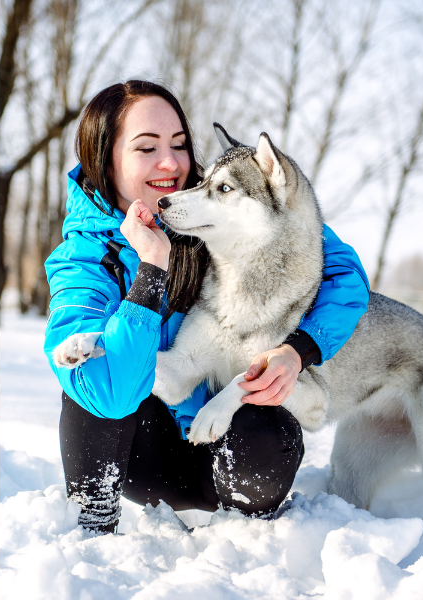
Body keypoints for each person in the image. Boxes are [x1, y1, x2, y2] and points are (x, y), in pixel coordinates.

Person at [43, 80, 370, 533]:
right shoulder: (85, 255)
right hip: (145, 452)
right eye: (146, 147)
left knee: (266, 425)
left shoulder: (218, 201)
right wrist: (151, 269)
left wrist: (300, 349)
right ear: (106, 158)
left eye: (179, 144)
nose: (170, 162)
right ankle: (92, 533)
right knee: (89, 378)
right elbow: (109, 394)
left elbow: (344, 275)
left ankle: (246, 543)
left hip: (228, 446)